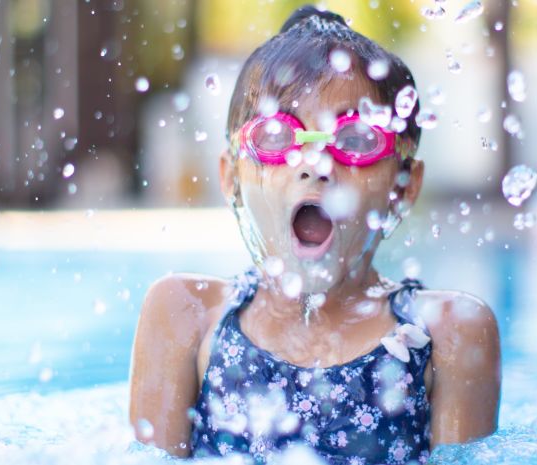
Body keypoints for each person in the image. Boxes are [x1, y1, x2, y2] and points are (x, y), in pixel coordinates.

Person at [129, 5, 500, 463]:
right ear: (231, 178)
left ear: (403, 186)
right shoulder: (186, 315)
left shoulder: (446, 333)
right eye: (276, 137)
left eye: (357, 140)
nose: (316, 165)